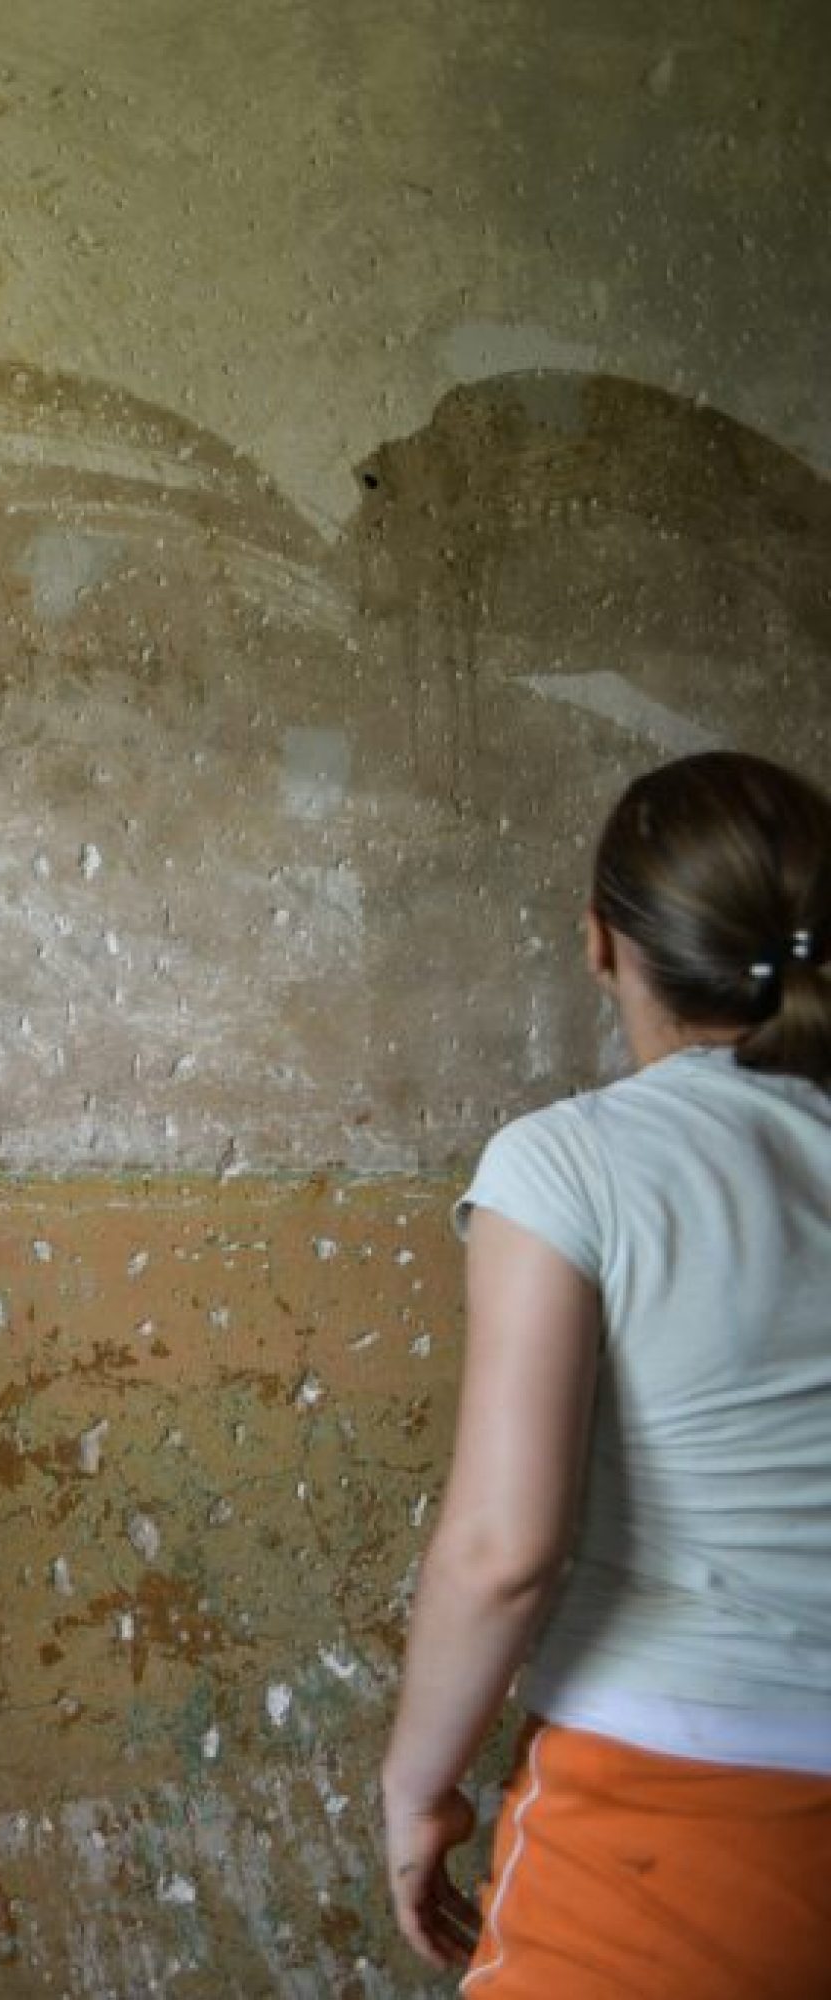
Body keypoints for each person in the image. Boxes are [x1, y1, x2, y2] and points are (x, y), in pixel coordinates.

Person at [380, 750, 831, 1995]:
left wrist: (418, 1791)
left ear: (600, 943)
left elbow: (502, 1549)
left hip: (673, 1821)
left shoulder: (568, 1165)